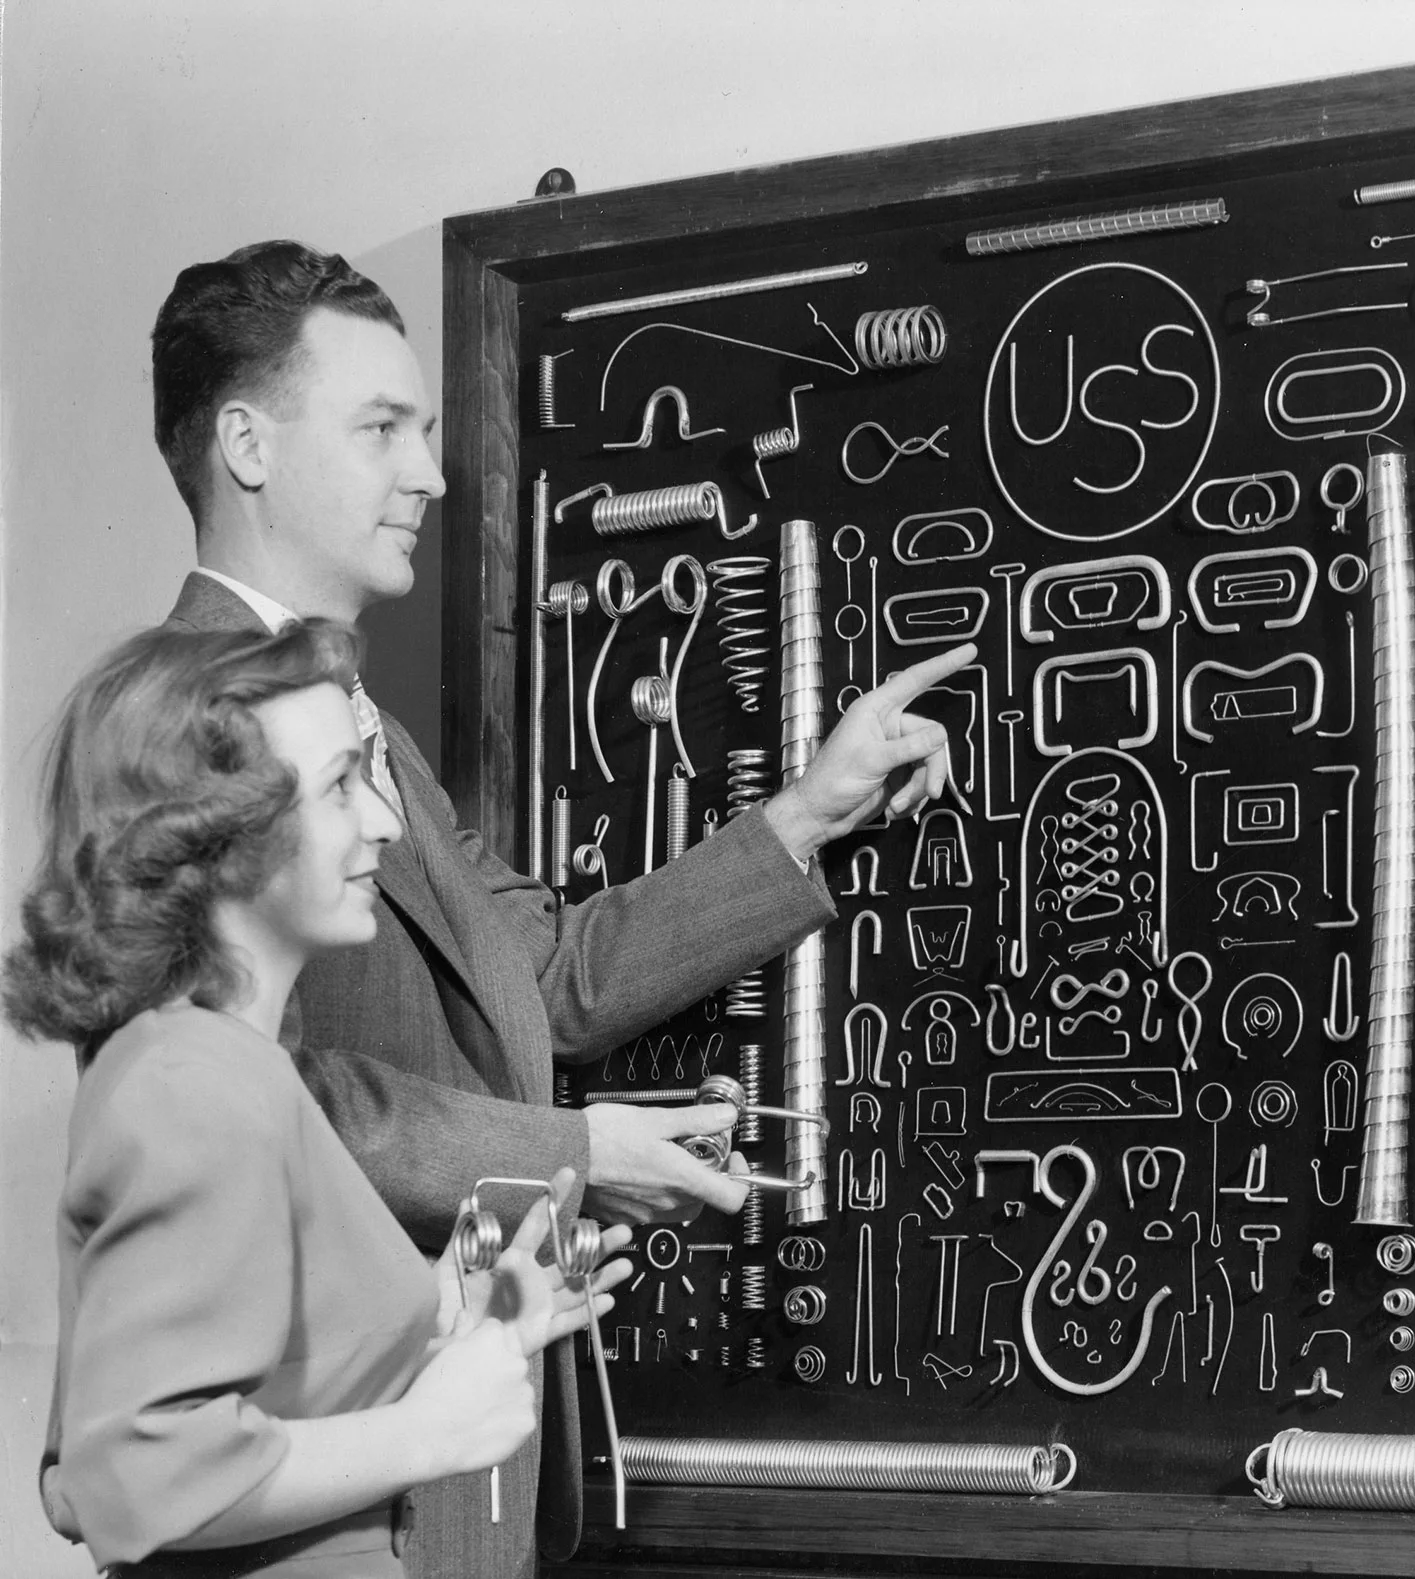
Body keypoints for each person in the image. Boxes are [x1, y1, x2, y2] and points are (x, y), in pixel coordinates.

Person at [148, 239, 974, 1574]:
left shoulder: (363, 732)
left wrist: (813, 807)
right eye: (382, 430)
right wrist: (576, 1147)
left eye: (425, 429)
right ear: (247, 442)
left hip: (465, 1458)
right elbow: (256, 1104)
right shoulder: (179, 724)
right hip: (331, 1496)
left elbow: (546, 971)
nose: (429, 471)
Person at [5, 619, 637, 1576]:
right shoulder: (189, 1084)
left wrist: (443, 1318)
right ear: (224, 835)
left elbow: (251, 1394)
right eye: (341, 785)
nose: (382, 820)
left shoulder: (224, 1069)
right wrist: (430, 1430)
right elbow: (124, 1476)